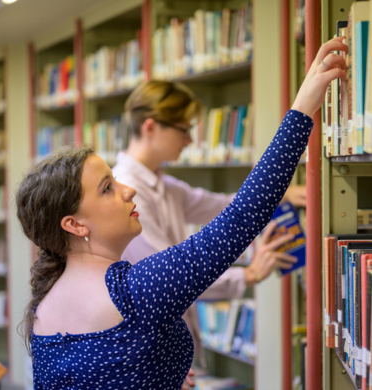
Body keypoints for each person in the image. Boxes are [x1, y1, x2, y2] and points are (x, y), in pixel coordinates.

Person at [16, 37, 347, 390]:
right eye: (108, 188)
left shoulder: (43, 308)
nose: (127, 189)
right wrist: (303, 107)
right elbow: (242, 216)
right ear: (75, 224)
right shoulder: (136, 290)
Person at [113, 79, 307, 372]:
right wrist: (250, 275)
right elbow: (175, 277)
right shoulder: (129, 193)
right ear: (151, 128)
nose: (190, 140)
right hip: (151, 354)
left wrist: (284, 194)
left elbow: (222, 205)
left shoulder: (164, 186)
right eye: (184, 130)